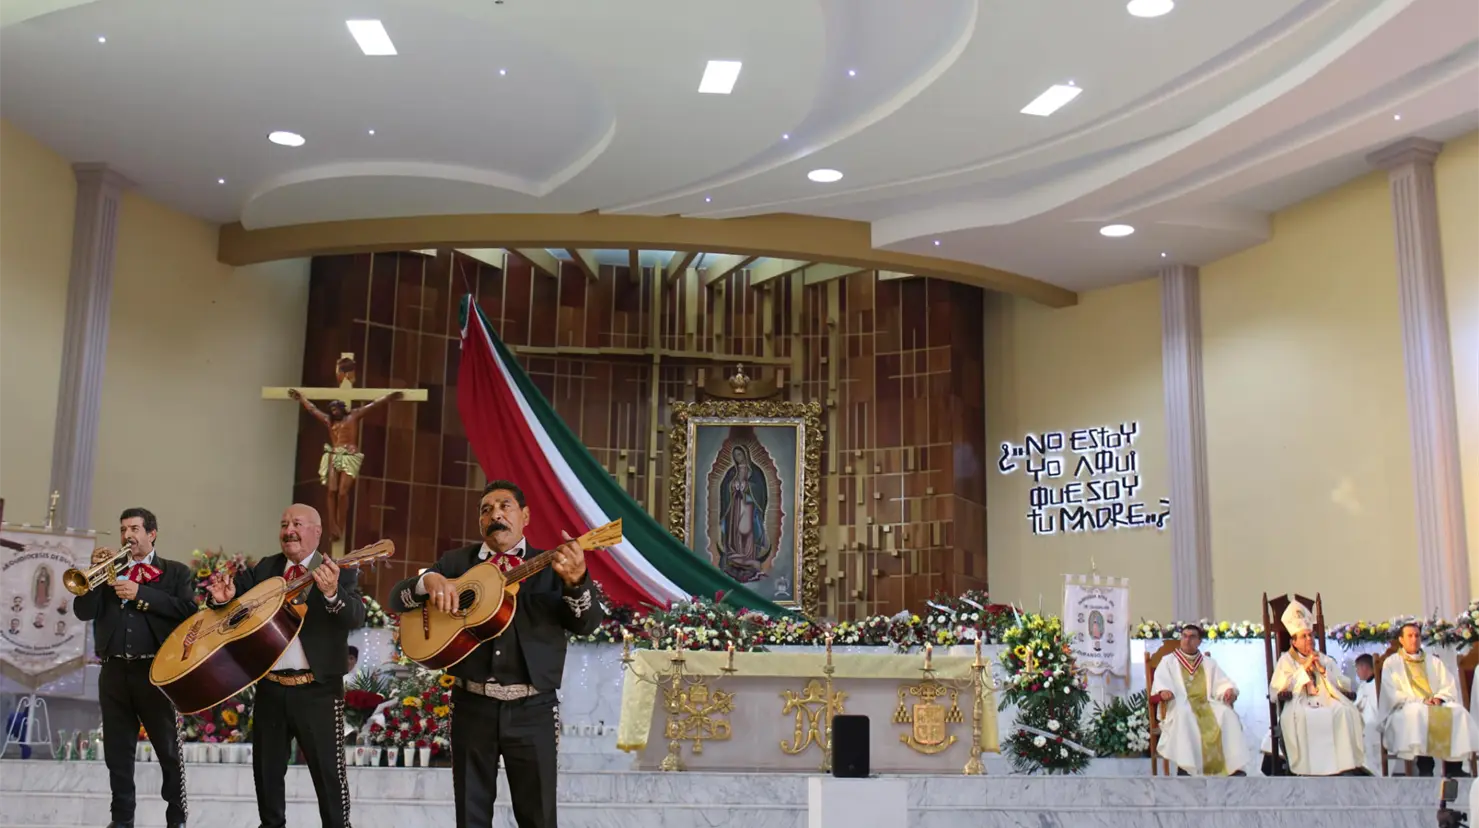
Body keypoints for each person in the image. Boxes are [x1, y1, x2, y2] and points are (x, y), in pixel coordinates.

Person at [389, 480, 604, 828]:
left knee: (539, 816)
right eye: (486, 510)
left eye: (505, 506)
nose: (496, 515)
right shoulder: (456, 563)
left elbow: (586, 624)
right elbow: (397, 598)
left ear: (525, 515)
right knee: (471, 816)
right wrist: (426, 581)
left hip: (533, 708)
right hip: (472, 705)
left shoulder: (553, 566)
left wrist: (577, 581)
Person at [206, 504, 364, 828]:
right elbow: (231, 608)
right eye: (284, 524)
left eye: (297, 523)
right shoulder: (265, 568)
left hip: (318, 692)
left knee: (331, 784)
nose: (288, 530)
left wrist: (332, 593)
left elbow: (355, 617)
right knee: (266, 781)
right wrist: (223, 599)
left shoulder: (339, 571)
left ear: (317, 532)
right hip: (270, 691)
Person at [73, 507, 197, 828]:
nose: (128, 535)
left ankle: (177, 819)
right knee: (118, 753)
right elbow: (83, 612)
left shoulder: (176, 573)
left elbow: (187, 611)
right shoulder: (108, 569)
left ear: (151, 533)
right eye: (123, 529)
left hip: (155, 673)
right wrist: (93, 573)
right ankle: (122, 820)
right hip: (113, 672)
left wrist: (142, 593)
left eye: (135, 529)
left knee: (169, 751)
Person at [287, 387, 403, 542]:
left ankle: (340, 525)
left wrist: (389, 397)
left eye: (336, 409)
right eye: (332, 409)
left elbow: (373, 405)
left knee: (342, 493)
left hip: (349, 456)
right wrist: (301, 399)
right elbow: (313, 410)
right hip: (334, 456)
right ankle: (332, 526)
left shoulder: (353, 416)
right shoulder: (329, 421)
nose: (334, 412)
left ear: (342, 409)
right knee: (331, 491)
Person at [1267, 600, 1366, 775]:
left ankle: (1342, 767)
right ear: (1294, 642)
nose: (1309, 639)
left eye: (1311, 635)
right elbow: (1277, 689)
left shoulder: (1323, 658)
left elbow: (1343, 683)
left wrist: (1323, 670)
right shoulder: (1286, 660)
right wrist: (1303, 670)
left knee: (1344, 712)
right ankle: (1307, 770)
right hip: (1300, 703)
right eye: (1304, 636)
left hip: (1326, 700)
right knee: (1303, 718)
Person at [1378, 621, 1479, 777]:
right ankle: (1424, 767)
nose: (1414, 639)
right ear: (1401, 640)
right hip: (1407, 706)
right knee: (1418, 713)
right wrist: (1421, 701)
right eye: (1410, 636)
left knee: (1458, 712)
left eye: (1417, 635)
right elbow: (1392, 693)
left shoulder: (1434, 661)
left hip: (1435, 703)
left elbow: (1448, 685)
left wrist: (1439, 698)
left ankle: (1455, 767)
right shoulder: (1391, 663)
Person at [1151, 624, 1250, 776]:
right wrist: (1164, 691)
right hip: (1181, 703)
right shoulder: (1168, 661)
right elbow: (1161, 682)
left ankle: (1231, 768)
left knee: (1227, 715)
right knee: (1185, 716)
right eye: (1184, 636)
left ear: (1199, 641)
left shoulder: (1208, 663)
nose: (1187, 640)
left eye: (1192, 637)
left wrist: (1228, 690)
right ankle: (1186, 767)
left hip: (1207, 703)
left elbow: (1223, 683)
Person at [1353, 653, 1381, 773]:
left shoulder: (1378, 684)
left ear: (1364, 667)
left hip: (1375, 722)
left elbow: (1377, 706)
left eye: (1357, 668)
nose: (1357, 672)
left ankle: (1374, 772)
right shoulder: (1363, 685)